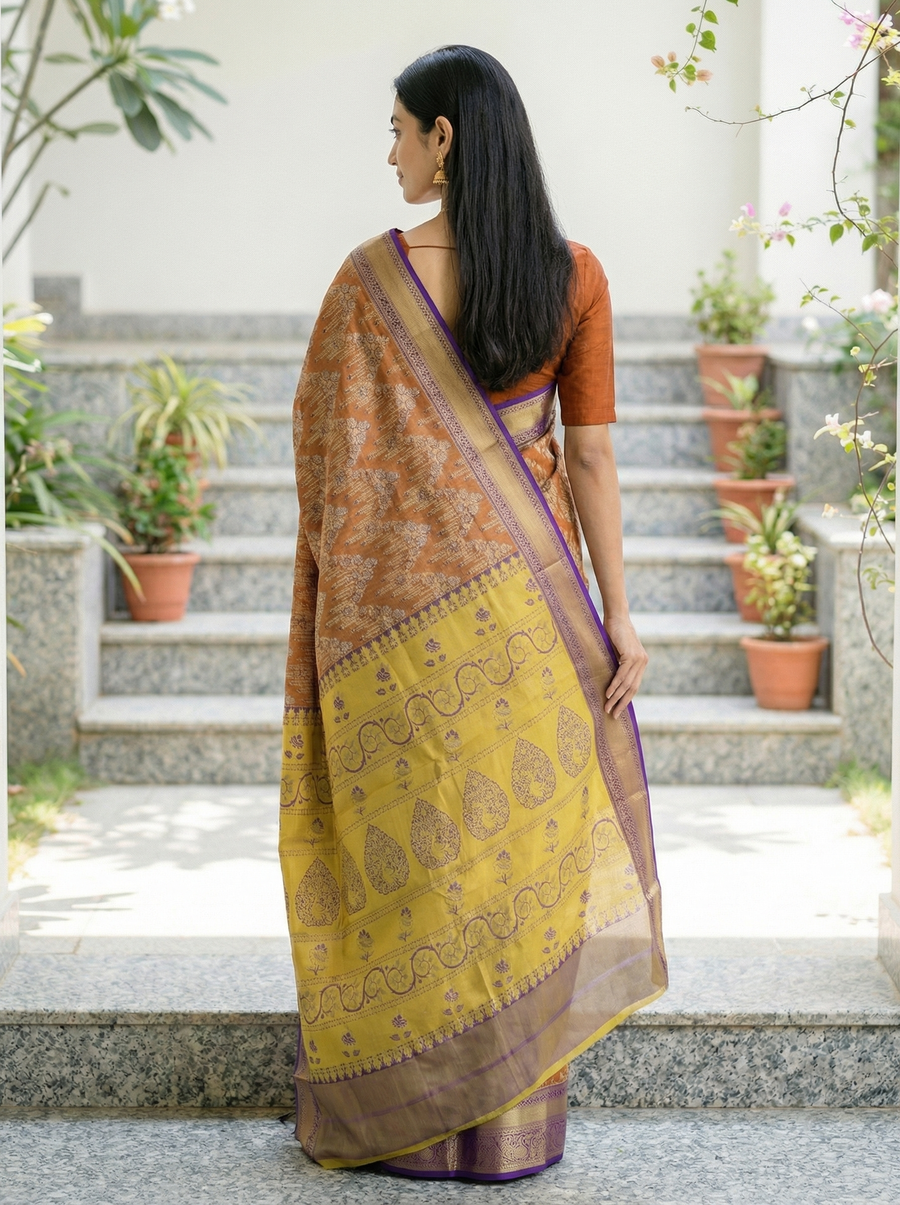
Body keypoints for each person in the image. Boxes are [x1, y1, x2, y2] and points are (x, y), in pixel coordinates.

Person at [279, 44, 667, 1181]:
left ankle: (400, 1121)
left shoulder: (368, 281)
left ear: (445, 138)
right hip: (536, 622)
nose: (390, 149)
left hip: (393, 637)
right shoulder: (574, 272)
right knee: (514, 872)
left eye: (400, 128)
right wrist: (622, 617)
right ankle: (507, 1130)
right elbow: (590, 459)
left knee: (421, 864)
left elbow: (324, 455)